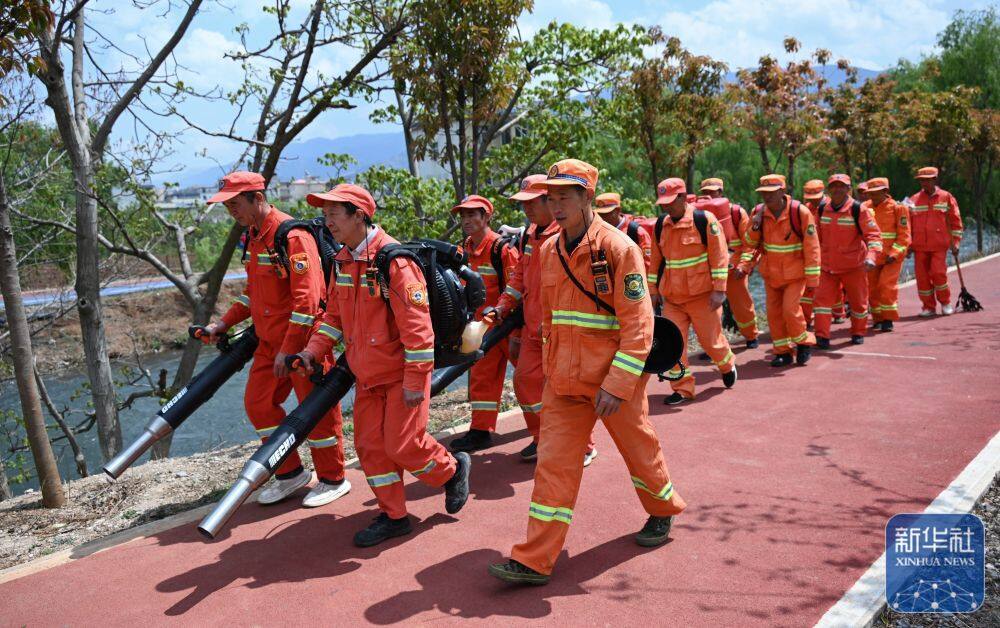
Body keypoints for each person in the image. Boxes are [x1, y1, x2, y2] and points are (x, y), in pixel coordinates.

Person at [488, 159, 686, 585]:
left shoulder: (619, 249)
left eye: (564, 197)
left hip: (613, 382)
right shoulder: (547, 250)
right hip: (563, 382)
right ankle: (534, 559)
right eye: (550, 198)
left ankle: (662, 509)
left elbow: (639, 327)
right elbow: (552, 319)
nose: (555, 206)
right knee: (552, 468)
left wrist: (617, 384)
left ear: (586, 198)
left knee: (640, 452)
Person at [295, 183, 471, 547]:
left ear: (359, 215)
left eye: (334, 214)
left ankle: (452, 471)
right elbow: (333, 318)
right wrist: (313, 350)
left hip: (400, 377)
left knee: (403, 445)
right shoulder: (343, 260)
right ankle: (394, 516)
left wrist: (414, 382)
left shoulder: (396, 262)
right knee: (371, 448)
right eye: (325, 214)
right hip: (367, 376)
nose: (327, 222)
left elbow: (418, 332)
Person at [201, 171, 348, 508]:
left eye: (236, 204)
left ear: (258, 197)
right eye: (227, 205)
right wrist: (221, 324)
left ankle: (332, 477)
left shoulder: (292, 236)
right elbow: (253, 295)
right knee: (258, 404)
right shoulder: (253, 238)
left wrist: (290, 349)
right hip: (269, 343)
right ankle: (290, 473)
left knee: (317, 413)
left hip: (303, 344)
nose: (231, 211)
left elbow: (308, 303)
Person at [485, 176, 597, 467]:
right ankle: (542, 437)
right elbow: (519, 278)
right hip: (536, 329)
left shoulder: (568, 233)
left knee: (566, 392)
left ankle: (583, 446)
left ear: (549, 200)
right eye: (523, 205)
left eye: (531, 203)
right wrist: (502, 307)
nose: (526, 211)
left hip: (562, 330)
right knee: (524, 383)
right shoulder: (530, 235)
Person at [649, 178, 737, 405]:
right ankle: (682, 388)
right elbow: (655, 263)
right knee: (673, 347)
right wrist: (652, 292)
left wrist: (719, 290)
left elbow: (719, 257)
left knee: (711, 342)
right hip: (673, 300)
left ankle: (727, 365)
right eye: (663, 203)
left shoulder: (703, 220)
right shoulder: (661, 226)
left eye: (670, 201)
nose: (666, 207)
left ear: (682, 196)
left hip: (703, 298)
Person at [448, 195, 521, 453]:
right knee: (482, 379)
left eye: (472, 215)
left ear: (486, 217)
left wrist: (515, 333)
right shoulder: (462, 250)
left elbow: (516, 287)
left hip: (507, 326)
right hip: (481, 329)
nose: (467, 221)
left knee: (529, 379)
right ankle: (480, 431)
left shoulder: (500, 249)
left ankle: (548, 428)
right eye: (463, 216)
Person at [740, 174, 820, 366]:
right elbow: (749, 243)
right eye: (763, 193)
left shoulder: (799, 212)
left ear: (782, 191)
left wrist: (813, 280)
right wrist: (756, 225)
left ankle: (803, 342)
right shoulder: (758, 212)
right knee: (774, 315)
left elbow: (812, 247)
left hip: (795, 275)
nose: (766, 197)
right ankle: (782, 352)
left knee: (790, 311)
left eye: (771, 193)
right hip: (771, 274)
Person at [813, 174, 882, 348]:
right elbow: (814, 238)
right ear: (829, 190)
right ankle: (822, 337)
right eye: (834, 186)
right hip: (827, 267)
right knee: (821, 303)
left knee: (858, 302)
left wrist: (871, 257)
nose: (837, 189)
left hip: (854, 266)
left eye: (841, 186)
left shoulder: (859, 209)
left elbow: (873, 236)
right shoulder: (822, 209)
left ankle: (858, 332)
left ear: (848, 189)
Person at [698, 177, 759, 349]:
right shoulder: (698, 215)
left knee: (742, 306)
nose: (709, 195)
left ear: (721, 192)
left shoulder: (737, 213)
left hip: (734, 269)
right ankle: (715, 344)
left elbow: (750, 243)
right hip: (710, 272)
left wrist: (745, 266)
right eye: (706, 192)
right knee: (711, 311)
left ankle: (751, 336)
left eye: (713, 191)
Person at [906, 167, 963, 317]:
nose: (924, 183)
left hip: (939, 245)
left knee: (939, 274)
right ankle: (928, 307)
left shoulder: (946, 197)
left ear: (934, 180)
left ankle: (945, 303)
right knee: (922, 278)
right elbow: (907, 225)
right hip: (920, 247)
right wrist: (908, 246)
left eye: (927, 180)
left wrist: (955, 243)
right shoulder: (913, 200)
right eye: (921, 180)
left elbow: (955, 222)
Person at [863, 178, 910, 332]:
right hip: (872, 257)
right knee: (873, 288)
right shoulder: (865, 208)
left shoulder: (898, 208)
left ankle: (888, 318)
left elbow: (904, 236)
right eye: (871, 194)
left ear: (885, 192)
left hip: (891, 258)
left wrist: (895, 253)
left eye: (876, 193)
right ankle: (878, 318)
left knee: (886, 285)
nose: (873, 197)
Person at [595, 192, 652, 271]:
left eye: (607, 213)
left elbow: (648, 263)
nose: (603, 217)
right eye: (600, 214)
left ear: (618, 210)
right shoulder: (598, 233)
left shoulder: (636, 232)